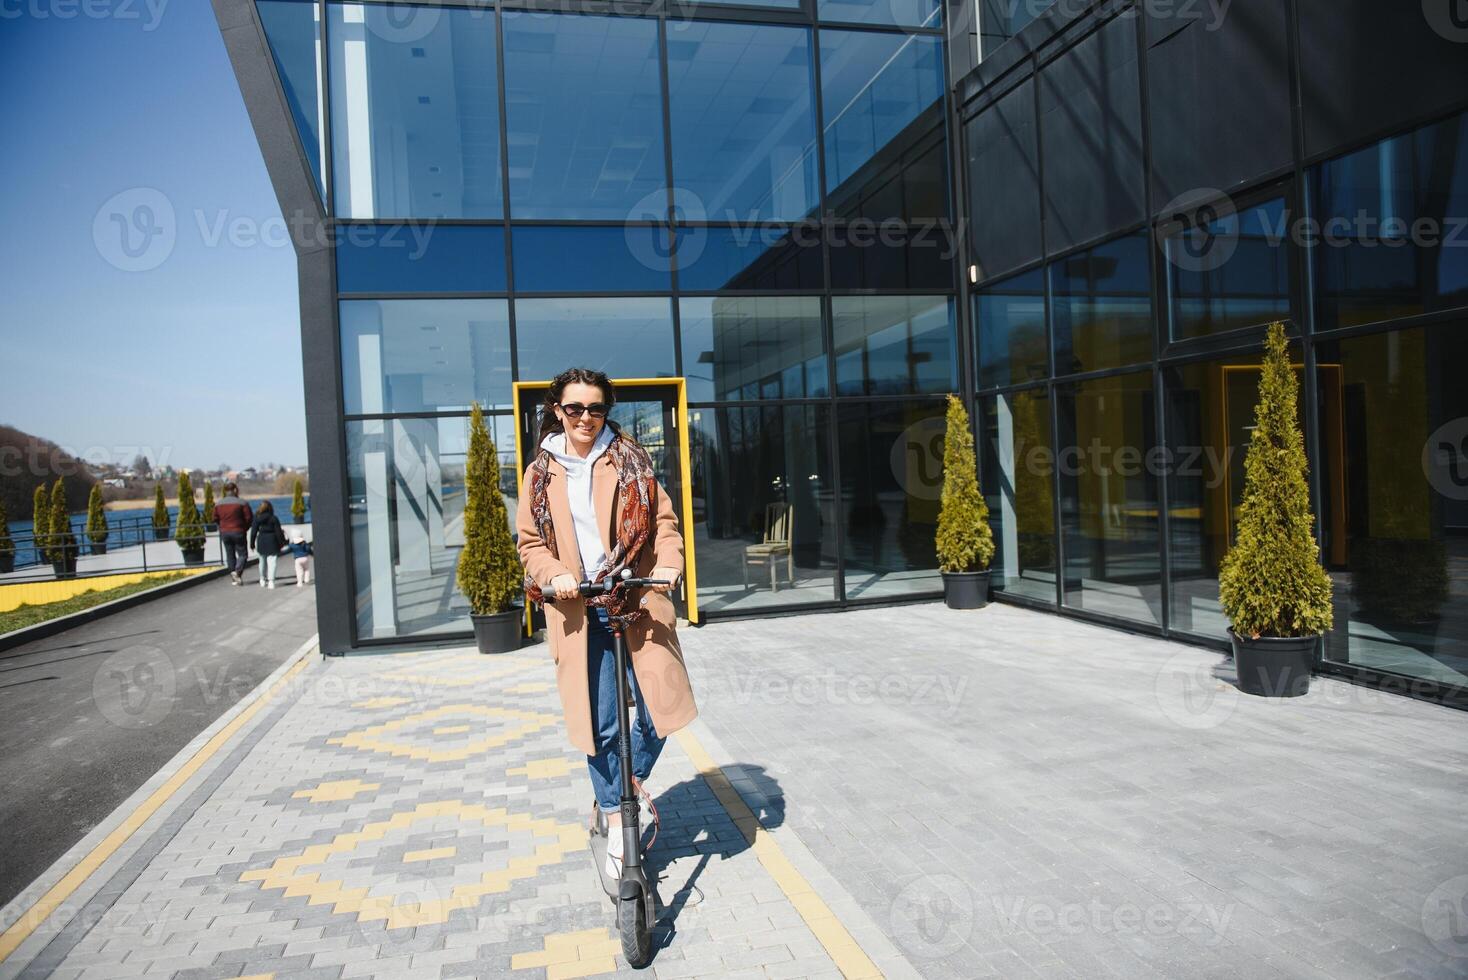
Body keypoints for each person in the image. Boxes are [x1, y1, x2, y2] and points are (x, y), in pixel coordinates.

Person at [515, 368, 697, 881]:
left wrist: (668, 565)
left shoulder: (632, 460)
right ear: (558, 411)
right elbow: (531, 544)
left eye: (595, 409)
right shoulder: (540, 473)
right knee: (600, 725)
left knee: (660, 712)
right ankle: (620, 819)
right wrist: (556, 575)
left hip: (636, 599)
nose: (586, 418)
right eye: (575, 408)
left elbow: (663, 522)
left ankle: (618, 791)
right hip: (578, 608)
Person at [213, 482, 253, 585]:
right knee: (243, 554)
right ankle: (237, 572)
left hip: (225, 532)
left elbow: (214, 518)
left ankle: (234, 576)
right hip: (238, 530)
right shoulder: (242, 503)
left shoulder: (218, 504)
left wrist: (221, 527)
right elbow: (249, 518)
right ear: (235, 490)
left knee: (230, 554)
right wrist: (245, 528)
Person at [249, 500, 287, 589]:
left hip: (261, 540)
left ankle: (262, 579)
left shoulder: (257, 518)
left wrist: (252, 544)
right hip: (272, 541)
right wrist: (282, 542)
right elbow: (278, 532)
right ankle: (271, 581)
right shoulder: (274, 518)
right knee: (272, 562)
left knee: (262, 561)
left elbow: (253, 532)